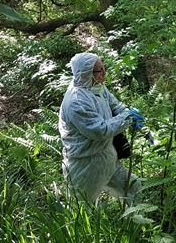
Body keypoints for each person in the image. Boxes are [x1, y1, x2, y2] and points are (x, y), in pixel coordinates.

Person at [58, 52, 143, 205]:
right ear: (86, 73)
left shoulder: (97, 87)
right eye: (99, 70)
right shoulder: (77, 101)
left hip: (107, 157)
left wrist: (127, 113)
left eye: (104, 68)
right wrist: (127, 118)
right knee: (82, 210)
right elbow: (100, 131)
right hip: (85, 164)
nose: (104, 72)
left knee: (132, 187)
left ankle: (136, 224)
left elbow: (115, 105)